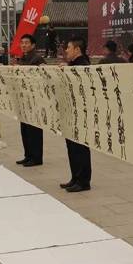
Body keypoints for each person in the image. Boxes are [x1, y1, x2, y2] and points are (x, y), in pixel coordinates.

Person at [60, 36, 92, 193]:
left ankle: (84, 180)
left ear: (77, 50)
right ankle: (75, 177)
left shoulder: (83, 66)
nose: (66, 50)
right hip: (70, 111)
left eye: (69, 47)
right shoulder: (72, 65)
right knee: (71, 146)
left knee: (80, 147)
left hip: (80, 112)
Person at [16, 34, 46, 167]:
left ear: (33, 45)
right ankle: (28, 155)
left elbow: (43, 77)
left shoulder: (38, 59)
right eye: (22, 42)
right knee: (25, 129)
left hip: (35, 99)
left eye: (26, 43)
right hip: (24, 99)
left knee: (34, 129)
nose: (23, 45)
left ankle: (36, 157)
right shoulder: (22, 58)